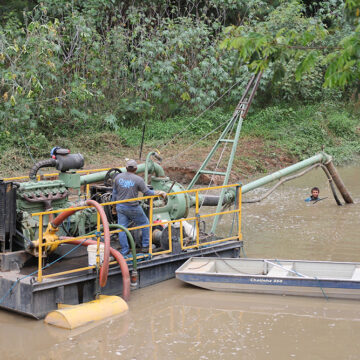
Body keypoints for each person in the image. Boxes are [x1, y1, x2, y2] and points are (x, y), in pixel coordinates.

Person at [112, 159, 167, 255]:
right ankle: (145, 246)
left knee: (122, 229)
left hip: (120, 207)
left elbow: (114, 194)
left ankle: (125, 250)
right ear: (136, 169)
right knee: (145, 224)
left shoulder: (117, 177)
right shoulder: (138, 180)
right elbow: (147, 193)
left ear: (126, 168)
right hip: (133, 207)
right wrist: (159, 192)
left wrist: (113, 207)